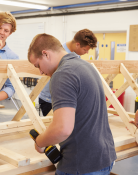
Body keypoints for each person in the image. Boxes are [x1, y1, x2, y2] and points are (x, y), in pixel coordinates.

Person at [28, 33, 116, 175]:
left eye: (38, 65)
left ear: (45, 54)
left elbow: (62, 129)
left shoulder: (62, 74)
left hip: (81, 164)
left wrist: (40, 142)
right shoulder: (85, 65)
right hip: (104, 157)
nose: (41, 72)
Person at [39, 29, 97, 116]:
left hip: (64, 99)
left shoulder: (75, 55)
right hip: (50, 100)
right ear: (78, 44)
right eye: (85, 50)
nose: (87, 52)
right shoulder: (59, 53)